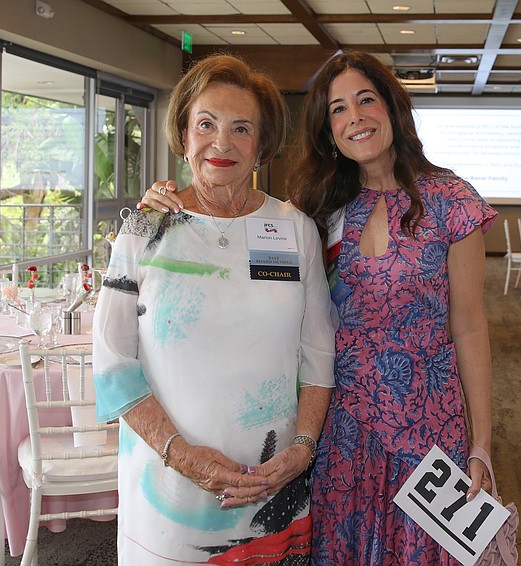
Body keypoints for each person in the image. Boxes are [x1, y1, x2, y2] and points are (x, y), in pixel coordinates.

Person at [141, 51, 499, 565]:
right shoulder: (320, 209)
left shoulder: (452, 201)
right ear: (328, 130)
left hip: (428, 427)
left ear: (392, 108)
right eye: (337, 109)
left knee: (424, 553)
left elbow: (470, 328)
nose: (354, 117)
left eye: (366, 100)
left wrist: (481, 443)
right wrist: (162, 201)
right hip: (343, 427)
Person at [93, 54, 336, 565]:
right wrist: (181, 456)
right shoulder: (143, 231)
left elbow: (319, 353)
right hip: (169, 492)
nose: (221, 142)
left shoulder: (295, 230)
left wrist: (303, 449)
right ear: (184, 135)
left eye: (241, 128)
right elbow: (113, 366)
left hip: (275, 485)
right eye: (206, 124)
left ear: (262, 145)